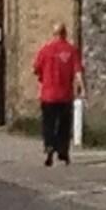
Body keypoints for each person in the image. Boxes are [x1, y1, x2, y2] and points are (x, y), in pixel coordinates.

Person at [32, 23, 83, 167]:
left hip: (48, 94)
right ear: (65, 33)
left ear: (54, 34)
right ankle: (63, 151)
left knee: (48, 123)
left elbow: (36, 69)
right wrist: (82, 89)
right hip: (65, 95)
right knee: (64, 125)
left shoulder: (45, 50)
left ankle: (49, 147)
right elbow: (78, 72)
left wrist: (43, 78)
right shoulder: (71, 51)